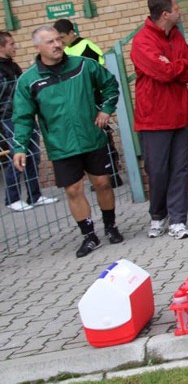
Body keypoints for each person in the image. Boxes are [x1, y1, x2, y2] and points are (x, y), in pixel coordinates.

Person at [12, 26, 122, 257]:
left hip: (91, 136)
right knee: (73, 190)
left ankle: (110, 226)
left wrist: (105, 110)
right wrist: (19, 147)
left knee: (102, 183)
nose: (57, 45)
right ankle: (89, 236)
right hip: (61, 145)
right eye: (50, 42)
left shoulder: (83, 65)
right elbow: (22, 117)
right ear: (38, 47)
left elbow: (110, 85)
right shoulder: (29, 80)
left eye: (59, 40)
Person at [131, 0, 188, 240]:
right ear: (165, 14)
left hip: (179, 114)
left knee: (179, 169)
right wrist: (175, 66)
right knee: (157, 170)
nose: (179, 11)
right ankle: (158, 215)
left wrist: (173, 65)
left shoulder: (176, 36)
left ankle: (178, 220)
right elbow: (162, 72)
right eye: (176, 7)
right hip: (153, 118)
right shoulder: (142, 41)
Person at [53, 19, 123, 188]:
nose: (60, 42)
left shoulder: (86, 47)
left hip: (94, 100)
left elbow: (94, 77)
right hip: (80, 102)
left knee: (102, 137)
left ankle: (112, 174)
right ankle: (100, 176)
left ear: (72, 33)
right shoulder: (67, 50)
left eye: (62, 37)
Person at [0, 31, 57, 212]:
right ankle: (12, 198)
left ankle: (35, 195)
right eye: (11, 44)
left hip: (25, 114)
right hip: (9, 117)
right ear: (1, 47)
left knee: (34, 155)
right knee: (18, 155)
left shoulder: (12, 65)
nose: (15, 46)